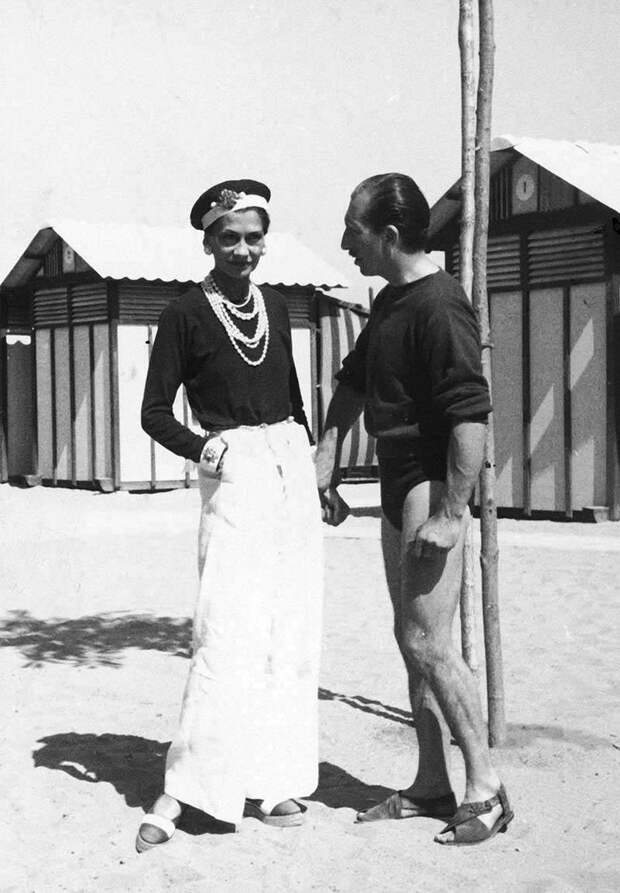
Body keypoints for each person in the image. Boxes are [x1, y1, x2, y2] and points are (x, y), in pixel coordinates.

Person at [315, 173, 513, 847]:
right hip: (396, 476)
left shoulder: (440, 303)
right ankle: (431, 783)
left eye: (354, 230)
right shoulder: (390, 302)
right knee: (411, 639)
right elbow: (351, 383)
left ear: (390, 234)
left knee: (429, 640)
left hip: (432, 476)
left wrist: (453, 512)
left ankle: (487, 787)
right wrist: (326, 460)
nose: (346, 242)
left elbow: (470, 416)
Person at [136, 179, 323, 852]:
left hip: (289, 468)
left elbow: (293, 399)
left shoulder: (276, 304)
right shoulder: (184, 313)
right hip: (235, 470)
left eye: (253, 237)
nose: (243, 250)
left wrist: (316, 472)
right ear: (209, 242)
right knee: (226, 629)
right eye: (229, 238)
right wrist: (204, 447)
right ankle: (188, 790)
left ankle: (271, 780)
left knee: (286, 628)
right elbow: (153, 412)